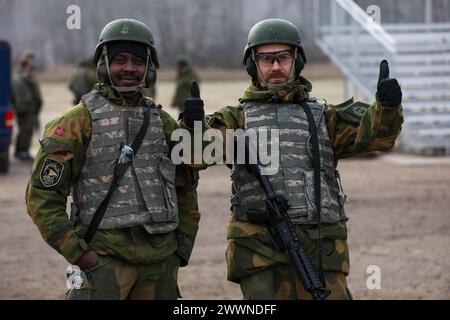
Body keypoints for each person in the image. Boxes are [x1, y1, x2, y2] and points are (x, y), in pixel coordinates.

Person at [182, 18, 403, 299]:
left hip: (321, 248)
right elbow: (194, 156)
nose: (275, 67)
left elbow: (375, 138)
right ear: (253, 64)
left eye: (283, 58)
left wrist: (387, 108)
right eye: (266, 59)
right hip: (261, 251)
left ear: (296, 61)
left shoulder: (324, 116)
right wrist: (192, 126)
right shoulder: (235, 119)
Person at [25, 18, 200, 300]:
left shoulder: (163, 123)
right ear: (104, 65)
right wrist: (80, 255)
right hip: (104, 265)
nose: (129, 68)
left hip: (160, 265)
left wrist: (181, 249)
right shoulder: (77, 122)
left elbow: (186, 186)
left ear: (150, 68)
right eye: (120, 60)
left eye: (138, 61)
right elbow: (42, 196)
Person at [11, 51, 42, 160]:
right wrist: (38, 105)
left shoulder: (16, 75)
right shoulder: (29, 75)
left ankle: (19, 151)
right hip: (29, 106)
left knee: (22, 129)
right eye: (31, 60)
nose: (32, 62)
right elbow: (37, 94)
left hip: (19, 106)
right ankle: (23, 151)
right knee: (27, 129)